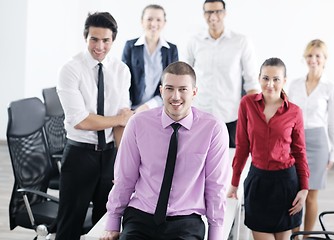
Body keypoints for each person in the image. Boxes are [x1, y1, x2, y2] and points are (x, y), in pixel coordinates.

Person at [100, 61, 230, 240]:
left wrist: (215, 234)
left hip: (186, 221)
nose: (175, 96)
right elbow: (124, 178)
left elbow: (216, 187)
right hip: (140, 217)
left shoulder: (213, 129)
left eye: (183, 89)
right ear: (161, 91)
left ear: (194, 92)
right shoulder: (138, 123)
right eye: (169, 88)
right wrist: (113, 222)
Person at [56, 12, 133, 240]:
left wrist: (122, 163)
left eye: (105, 40)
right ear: (85, 37)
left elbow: (123, 119)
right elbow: (81, 120)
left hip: (109, 155)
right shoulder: (70, 70)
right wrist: (118, 119)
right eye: (94, 39)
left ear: (113, 40)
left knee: (106, 226)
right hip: (79, 155)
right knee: (69, 225)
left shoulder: (121, 71)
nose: (99, 46)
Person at [227, 58, 310, 240]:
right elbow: (242, 147)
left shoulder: (295, 112)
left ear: (284, 81)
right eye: (265, 78)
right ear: (259, 78)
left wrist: (304, 189)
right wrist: (234, 183)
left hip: (286, 184)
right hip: (258, 183)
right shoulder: (247, 104)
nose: (270, 84)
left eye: (276, 79)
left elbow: (299, 152)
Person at [185, 0, 260, 148]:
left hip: (231, 116)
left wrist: (252, 117)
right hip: (200, 115)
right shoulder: (194, 42)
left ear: (224, 13)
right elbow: (185, 78)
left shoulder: (241, 41)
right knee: (199, 161)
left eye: (217, 12)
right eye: (209, 12)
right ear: (204, 14)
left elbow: (251, 81)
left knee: (231, 164)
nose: (213, 17)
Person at [288, 39, 334, 236]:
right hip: (295, 141)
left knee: (310, 196)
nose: (313, 60)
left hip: (318, 144)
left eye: (318, 56)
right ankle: (294, 234)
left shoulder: (330, 87)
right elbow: (287, 115)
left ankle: (306, 236)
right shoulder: (294, 84)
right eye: (310, 55)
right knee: (294, 192)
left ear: (325, 59)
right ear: (305, 58)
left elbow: (333, 122)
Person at [122, 4, 178, 113]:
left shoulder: (171, 50)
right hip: (131, 108)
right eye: (149, 19)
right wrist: (128, 108)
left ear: (164, 23)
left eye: (158, 20)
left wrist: (148, 106)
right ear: (142, 21)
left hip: (160, 108)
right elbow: (123, 80)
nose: (153, 24)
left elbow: (173, 84)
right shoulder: (130, 46)